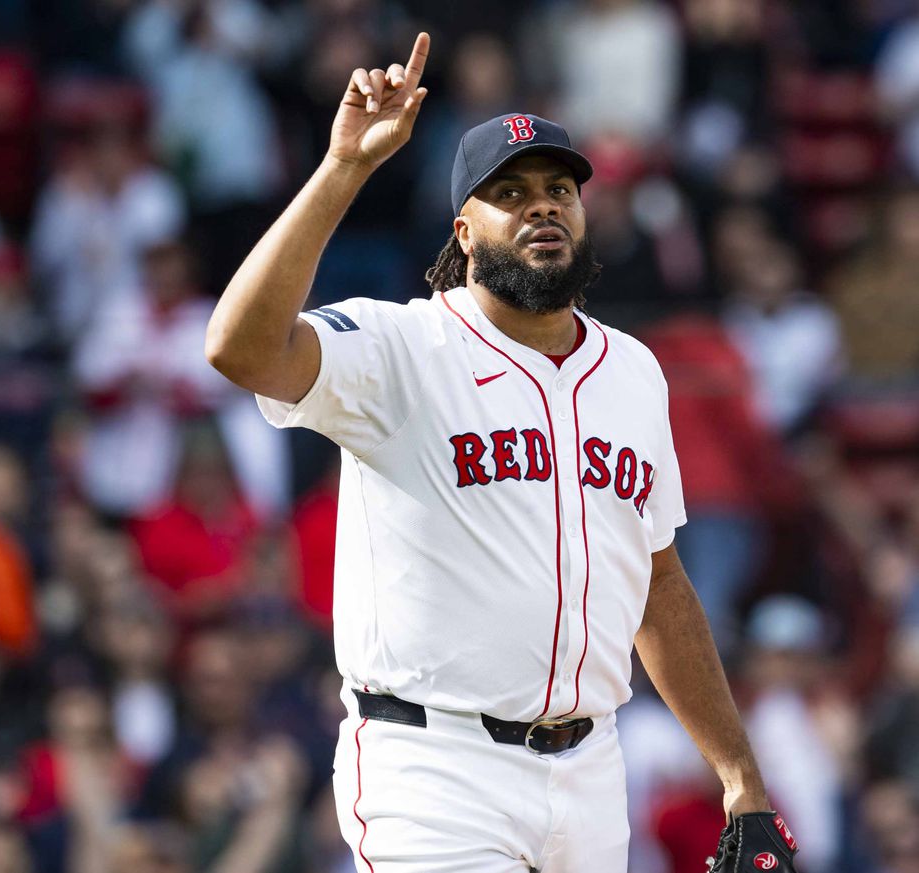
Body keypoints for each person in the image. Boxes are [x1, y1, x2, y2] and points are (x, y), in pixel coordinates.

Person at [205, 32, 791, 872]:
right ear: (465, 233)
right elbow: (238, 348)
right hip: (434, 766)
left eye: (560, 188)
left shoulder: (633, 370)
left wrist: (740, 777)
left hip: (590, 772)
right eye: (509, 193)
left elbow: (658, 583)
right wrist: (343, 168)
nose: (542, 205)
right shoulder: (401, 345)